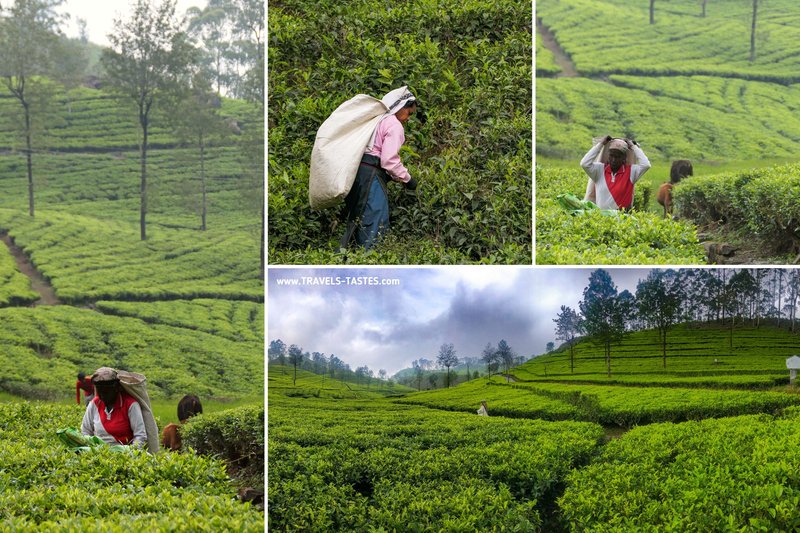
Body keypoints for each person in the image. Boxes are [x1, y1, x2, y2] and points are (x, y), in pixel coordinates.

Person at [340, 87, 425, 250]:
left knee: (358, 217)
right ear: (400, 107)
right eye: (409, 113)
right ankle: (369, 262)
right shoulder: (394, 125)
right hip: (370, 174)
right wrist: (408, 179)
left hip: (356, 172)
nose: (408, 118)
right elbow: (389, 161)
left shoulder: (376, 120)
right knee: (375, 218)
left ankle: (350, 258)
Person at [80, 367, 147, 449]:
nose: (103, 396)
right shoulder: (94, 403)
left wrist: (129, 453)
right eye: (100, 392)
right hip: (99, 452)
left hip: (125, 454)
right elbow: (85, 431)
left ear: (116, 388)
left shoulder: (130, 405)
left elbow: (140, 436)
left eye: (106, 392)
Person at [580, 136, 651, 210]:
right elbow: (584, 163)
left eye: (617, 157)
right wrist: (601, 144)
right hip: (601, 218)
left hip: (622, 218)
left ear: (624, 158)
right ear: (608, 156)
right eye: (611, 155)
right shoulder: (599, 170)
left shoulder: (631, 172)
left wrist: (634, 147)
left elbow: (646, 165)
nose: (613, 160)